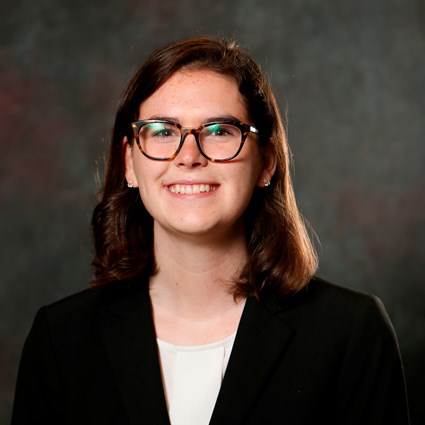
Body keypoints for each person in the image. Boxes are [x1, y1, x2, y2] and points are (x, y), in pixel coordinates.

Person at [11, 36, 409, 425]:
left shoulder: (351, 332)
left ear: (266, 162)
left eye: (219, 131)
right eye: (163, 131)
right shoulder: (61, 338)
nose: (189, 156)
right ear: (130, 162)